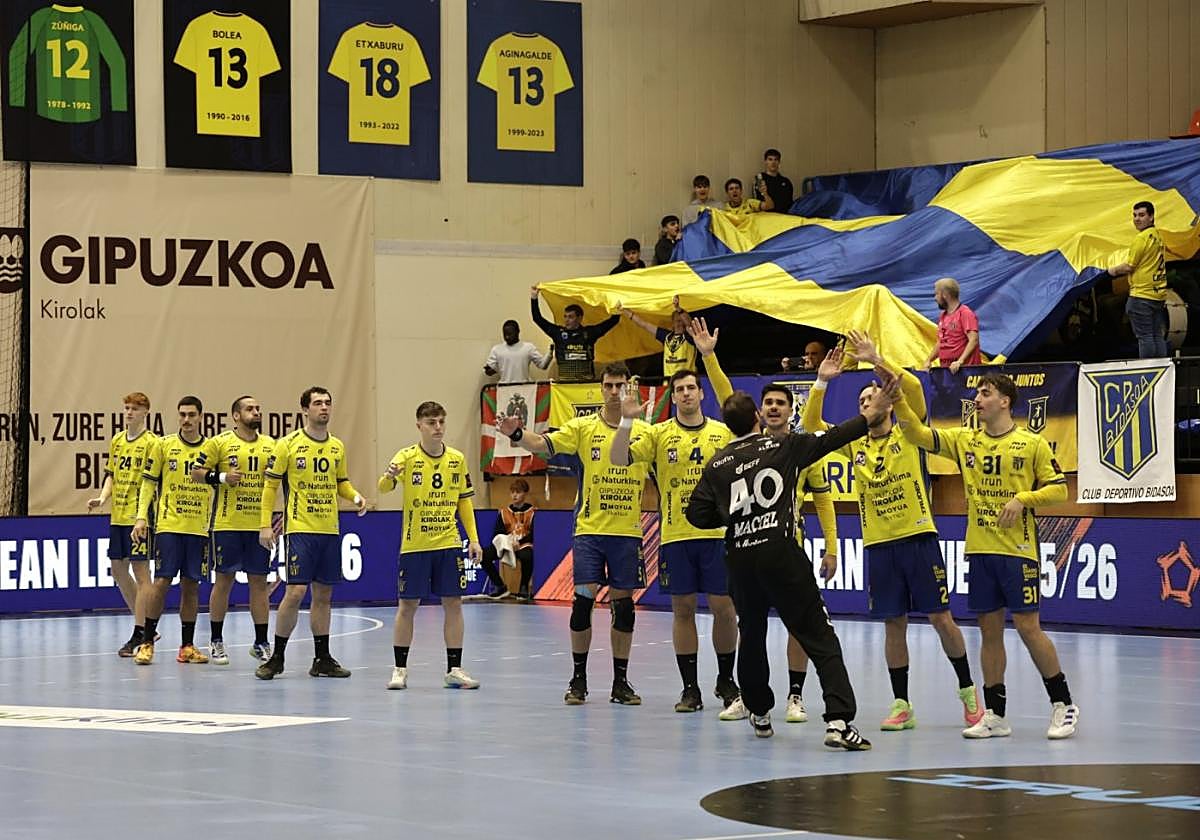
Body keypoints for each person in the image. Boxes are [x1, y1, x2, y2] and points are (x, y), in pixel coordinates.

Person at [685, 379, 899, 748]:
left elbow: (696, 514)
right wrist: (871, 413)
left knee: (751, 634)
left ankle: (760, 712)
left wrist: (736, 515)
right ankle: (838, 721)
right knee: (818, 633)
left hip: (739, 556)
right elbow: (834, 438)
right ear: (756, 417)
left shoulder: (717, 463)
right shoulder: (783, 444)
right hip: (779, 551)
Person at [802, 332, 984, 732]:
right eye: (861, 402)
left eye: (871, 397)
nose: (867, 403)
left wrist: (876, 360)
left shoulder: (909, 429)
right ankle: (902, 703)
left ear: (886, 397)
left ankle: (969, 693)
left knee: (941, 619)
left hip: (918, 537)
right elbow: (813, 424)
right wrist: (822, 382)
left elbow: (914, 385)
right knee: (893, 624)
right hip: (879, 544)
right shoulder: (856, 443)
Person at [893, 373, 1079, 740]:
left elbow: (1059, 489)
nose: (977, 398)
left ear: (1005, 401)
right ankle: (995, 713)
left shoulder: (1031, 444)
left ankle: (1064, 704)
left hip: (1018, 552)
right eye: (977, 393)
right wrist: (898, 397)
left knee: (1028, 628)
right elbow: (915, 434)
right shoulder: (965, 440)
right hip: (979, 550)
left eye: (985, 393)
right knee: (989, 633)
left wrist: (1023, 498)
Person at [610, 319, 745, 717]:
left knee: (724, 609)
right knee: (682, 611)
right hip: (676, 536)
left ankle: (725, 678)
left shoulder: (723, 432)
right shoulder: (657, 434)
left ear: (701, 394)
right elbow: (619, 458)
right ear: (673, 396)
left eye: (691, 388)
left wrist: (708, 356)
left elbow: (733, 399)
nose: (686, 393)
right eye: (679, 389)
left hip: (719, 535)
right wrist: (629, 420)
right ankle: (690, 688)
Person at [497, 362, 651, 706]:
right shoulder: (583, 427)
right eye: (609, 385)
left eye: (620, 386)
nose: (614, 392)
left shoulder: (644, 431)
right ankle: (578, 679)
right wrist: (517, 434)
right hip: (590, 532)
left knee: (623, 610)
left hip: (627, 532)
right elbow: (544, 445)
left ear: (630, 388)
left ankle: (620, 683)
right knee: (582, 604)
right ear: (601, 389)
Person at [255, 386, 368, 681]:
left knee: (324, 594)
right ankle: (277, 657)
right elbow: (270, 487)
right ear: (305, 409)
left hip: (329, 530)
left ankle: (322, 659)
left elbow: (341, 482)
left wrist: (355, 497)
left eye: (328, 403)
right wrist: (265, 524)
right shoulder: (288, 445)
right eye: (318, 403)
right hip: (300, 529)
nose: (324, 408)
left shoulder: (336, 447)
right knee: (295, 591)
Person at [379, 401, 483, 690]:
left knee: (454, 603)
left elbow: (465, 501)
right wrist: (390, 476)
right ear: (419, 426)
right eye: (431, 423)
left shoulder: (457, 459)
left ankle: (454, 668)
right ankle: (400, 669)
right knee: (408, 605)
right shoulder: (407, 456)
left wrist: (473, 539)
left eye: (441, 422)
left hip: (448, 543)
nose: (438, 428)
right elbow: (382, 487)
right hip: (415, 545)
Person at [755, 382, 841, 726]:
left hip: (792, 550)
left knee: (798, 625)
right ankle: (753, 697)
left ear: (791, 411)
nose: (774, 407)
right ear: (760, 410)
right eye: (768, 403)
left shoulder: (804, 449)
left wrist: (831, 549)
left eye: (780, 403)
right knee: (752, 624)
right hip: (753, 550)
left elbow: (823, 500)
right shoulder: (749, 448)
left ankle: (795, 695)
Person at [189, 395, 276, 664]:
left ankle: (261, 642)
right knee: (224, 580)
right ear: (236, 415)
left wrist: (278, 516)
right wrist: (223, 477)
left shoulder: (270, 445)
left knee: (259, 583)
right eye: (250, 409)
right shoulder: (221, 442)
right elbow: (196, 471)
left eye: (258, 408)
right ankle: (216, 639)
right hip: (227, 523)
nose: (256, 412)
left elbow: (277, 481)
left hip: (258, 525)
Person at [130, 396, 212, 666]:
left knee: (191, 586)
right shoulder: (164, 446)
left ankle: (187, 646)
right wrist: (141, 517)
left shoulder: (211, 449)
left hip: (199, 529)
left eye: (191, 415)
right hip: (169, 526)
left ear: (201, 417)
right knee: (162, 582)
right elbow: (148, 483)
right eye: (182, 414)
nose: (186, 420)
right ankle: (146, 641)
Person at [88, 391, 158, 657]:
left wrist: (143, 516)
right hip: (118, 514)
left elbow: (152, 481)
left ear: (145, 412)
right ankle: (142, 620)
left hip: (140, 517)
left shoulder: (152, 443)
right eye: (127, 408)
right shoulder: (117, 440)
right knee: (118, 570)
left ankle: (141, 631)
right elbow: (111, 475)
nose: (129, 412)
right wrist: (102, 498)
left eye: (134, 409)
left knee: (142, 574)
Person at [1109, 200, 1169, 358]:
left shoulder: (1141, 239)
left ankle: (1148, 375)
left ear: (1151, 217)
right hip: (1158, 295)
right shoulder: (1158, 236)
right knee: (1157, 336)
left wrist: (1112, 271)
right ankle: (1162, 376)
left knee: (1145, 338)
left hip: (1141, 295)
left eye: (1141, 215)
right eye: (1134, 215)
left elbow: (1130, 266)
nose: (1137, 219)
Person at [529, 287, 621, 383]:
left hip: (586, 383)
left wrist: (617, 309)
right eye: (565, 316)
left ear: (579, 318)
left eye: (570, 317)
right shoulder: (558, 333)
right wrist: (534, 297)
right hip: (564, 385)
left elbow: (612, 321)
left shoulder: (589, 333)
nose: (566, 320)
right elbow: (537, 318)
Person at [478, 478, 536, 601]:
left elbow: (534, 534)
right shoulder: (504, 513)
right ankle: (500, 587)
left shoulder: (533, 512)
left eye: (518, 492)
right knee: (483, 555)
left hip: (524, 544)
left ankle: (524, 588)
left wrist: (519, 542)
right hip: (507, 545)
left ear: (525, 494)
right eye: (513, 492)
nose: (514, 495)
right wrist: (507, 542)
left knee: (528, 556)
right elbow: (497, 533)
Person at [620, 296, 697, 378]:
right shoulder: (666, 336)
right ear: (672, 323)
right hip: (669, 382)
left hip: (687, 380)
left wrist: (678, 308)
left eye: (682, 321)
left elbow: (689, 323)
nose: (680, 323)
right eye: (677, 321)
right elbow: (644, 325)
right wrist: (625, 311)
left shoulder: (690, 336)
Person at [922, 278, 981, 373]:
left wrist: (960, 361)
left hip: (965, 372)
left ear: (945, 295)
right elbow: (941, 342)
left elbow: (974, 340)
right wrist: (929, 360)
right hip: (947, 372)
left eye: (936, 294)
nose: (935, 298)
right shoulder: (943, 316)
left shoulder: (965, 313)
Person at [484, 320, 552, 384]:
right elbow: (489, 372)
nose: (507, 337)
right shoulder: (497, 349)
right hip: (504, 390)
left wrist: (550, 352)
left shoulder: (528, 348)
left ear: (518, 332)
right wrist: (491, 369)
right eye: (505, 334)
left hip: (524, 389)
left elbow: (543, 365)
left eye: (510, 334)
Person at [754, 148, 794, 214]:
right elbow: (758, 201)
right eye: (770, 159)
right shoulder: (760, 180)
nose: (773, 162)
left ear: (779, 162)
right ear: (765, 161)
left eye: (776, 160)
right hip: (769, 214)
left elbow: (789, 201)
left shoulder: (786, 181)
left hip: (787, 213)